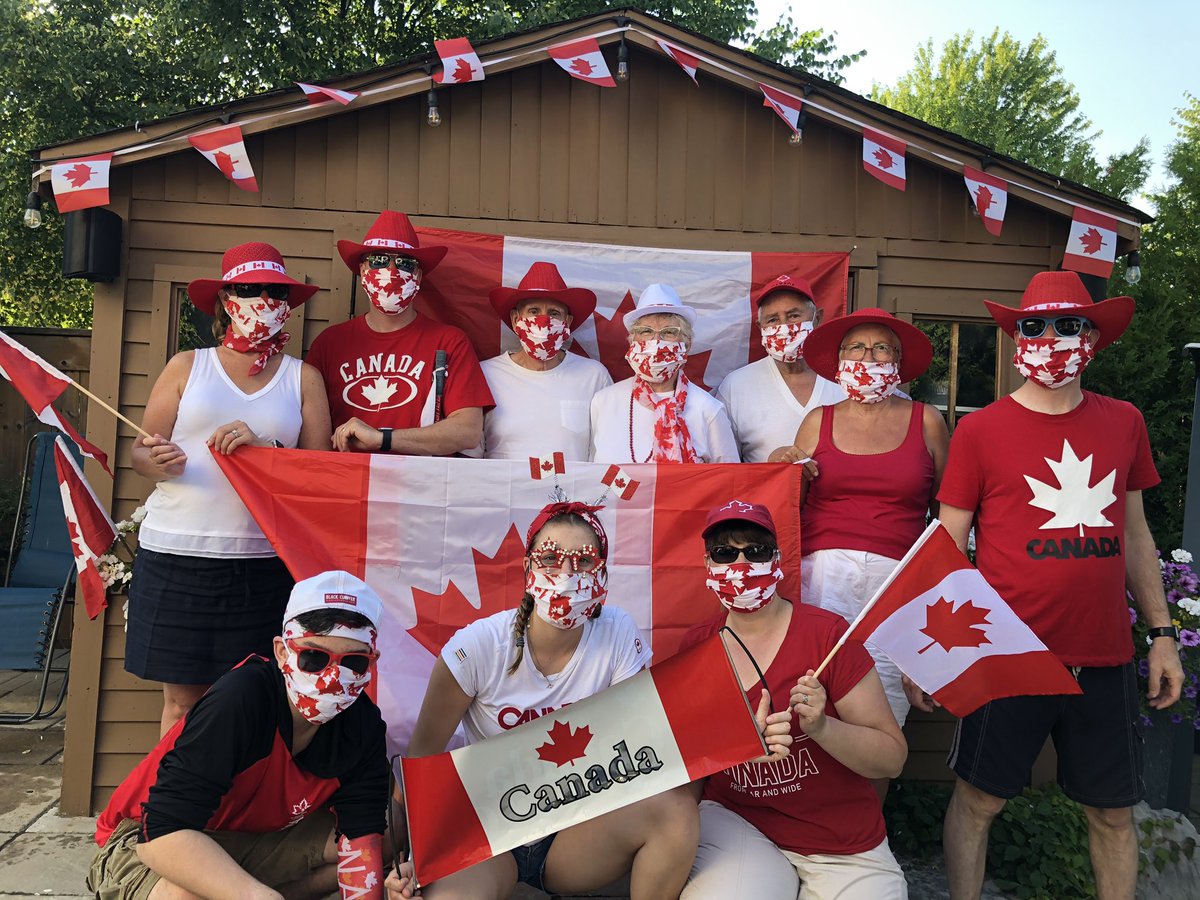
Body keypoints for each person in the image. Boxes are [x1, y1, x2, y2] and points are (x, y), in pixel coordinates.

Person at [911, 271, 1184, 900]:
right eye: (1034, 324)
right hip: (1005, 652)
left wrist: (1162, 635)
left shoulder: (1125, 422)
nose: (1051, 336)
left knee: (1113, 813)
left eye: (1068, 324)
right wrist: (933, 651)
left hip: (1105, 654)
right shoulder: (980, 431)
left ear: (1093, 337)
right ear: (1016, 337)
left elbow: (1136, 535)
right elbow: (948, 543)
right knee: (978, 801)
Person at [385, 501, 700, 899]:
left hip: (577, 828)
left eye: (583, 562)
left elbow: (641, 742)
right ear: (527, 570)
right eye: (550, 559)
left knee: (676, 810)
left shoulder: (618, 632)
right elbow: (420, 764)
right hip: (488, 834)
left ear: (602, 574)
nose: (566, 575)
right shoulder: (477, 647)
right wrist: (414, 859)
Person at [129, 241, 332, 735]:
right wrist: (155, 462)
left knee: (252, 701)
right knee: (181, 704)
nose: (261, 299)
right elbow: (139, 452)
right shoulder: (186, 365)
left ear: (289, 303)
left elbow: (320, 472)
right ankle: (174, 811)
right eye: (247, 288)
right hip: (176, 553)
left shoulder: (302, 378)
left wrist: (265, 449)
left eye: (274, 290)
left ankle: (236, 811)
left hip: (261, 561)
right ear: (225, 300)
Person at [88, 571, 390, 900]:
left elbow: (362, 837)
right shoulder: (241, 699)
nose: (333, 679)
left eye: (354, 663)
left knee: (388, 841)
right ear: (281, 652)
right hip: (143, 839)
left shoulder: (363, 724)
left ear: (371, 664)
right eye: (314, 657)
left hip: (257, 834)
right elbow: (159, 835)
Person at [680, 500, 908, 900]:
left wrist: (822, 727)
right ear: (708, 564)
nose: (740, 563)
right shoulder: (698, 646)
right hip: (738, 823)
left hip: (840, 843)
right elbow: (689, 763)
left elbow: (891, 758)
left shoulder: (829, 638)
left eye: (756, 551)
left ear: (778, 559)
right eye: (724, 552)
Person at [770, 308, 948, 742]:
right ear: (839, 361)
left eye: (881, 347)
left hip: (898, 583)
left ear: (898, 362)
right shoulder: (817, 420)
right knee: (811, 697)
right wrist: (782, 465)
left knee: (883, 711)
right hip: (821, 580)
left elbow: (949, 511)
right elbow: (792, 502)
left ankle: (869, 810)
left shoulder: (927, 421)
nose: (868, 356)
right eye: (857, 347)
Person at [306, 210, 494, 455]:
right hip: (348, 484)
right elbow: (311, 441)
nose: (392, 270)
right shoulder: (329, 343)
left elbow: (467, 431)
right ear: (363, 270)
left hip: (417, 486)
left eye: (405, 263)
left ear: (418, 275)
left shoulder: (449, 341)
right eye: (379, 261)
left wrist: (383, 439)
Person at [476, 261, 612, 460]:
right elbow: (471, 453)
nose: (543, 322)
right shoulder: (486, 374)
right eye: (533, 311)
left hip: (573, 491)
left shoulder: (593, 375)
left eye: (554, 313)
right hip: (503, 490)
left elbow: (606, 450)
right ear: (515, 319)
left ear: (568, 323)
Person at [590, 284, 738, 464]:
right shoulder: (604, 402)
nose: (656, 342)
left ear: (687, 344)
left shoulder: (708, 410)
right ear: (632, 342)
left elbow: (730, 481)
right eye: (645, 331)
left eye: (669, 332)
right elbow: (592, 477)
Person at [715, 274, 845, 462]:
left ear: (817, 320)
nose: (783, 328)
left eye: (793, 316)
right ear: (760, 327)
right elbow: (726, 465)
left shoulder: (849, 380)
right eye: (773, 320)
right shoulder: (736, 386)